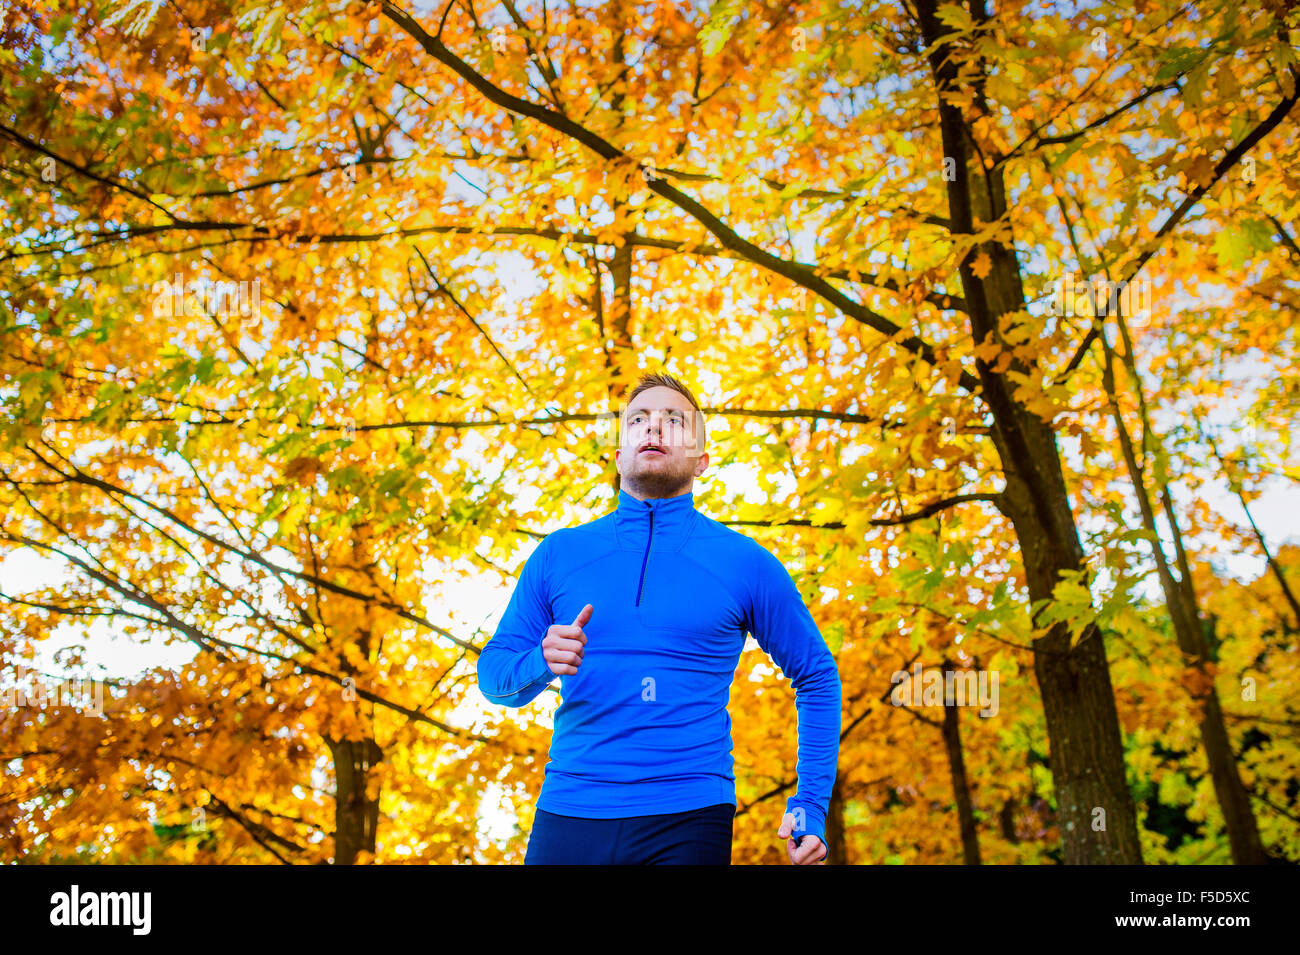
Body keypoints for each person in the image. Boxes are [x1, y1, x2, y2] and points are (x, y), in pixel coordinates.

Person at [477, 372, 841, 864]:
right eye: (638, 419)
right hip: (569, 810)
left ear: (701, 461)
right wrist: (540, 660)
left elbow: (817, 675)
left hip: (689, 814)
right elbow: (495, 677)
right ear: (619, 451)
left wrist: (811, 803)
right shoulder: (559, 553)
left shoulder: (744, 562)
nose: (655, 428)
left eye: (675, 420)